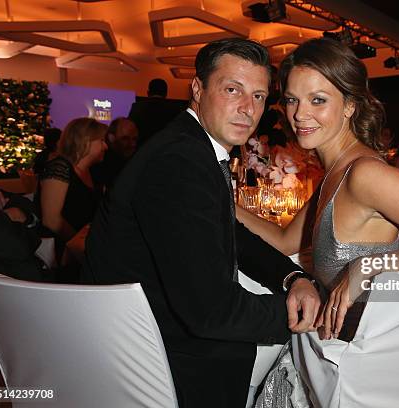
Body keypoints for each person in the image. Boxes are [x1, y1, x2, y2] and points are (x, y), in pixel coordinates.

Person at [236, 38, 399, 407]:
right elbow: (284, 241)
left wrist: (377, 263)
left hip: (366, 368)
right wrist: (221, 200)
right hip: (339, 350)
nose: (299, 114)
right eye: (292, 99)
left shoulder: (365, 174)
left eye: (318, 100)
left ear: (349, 105)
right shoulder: (335, 171)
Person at [81, 38, 321, 408]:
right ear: (197, 88)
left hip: (150, 336)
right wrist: (310, 315)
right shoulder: (180, 161)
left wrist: (292, 277)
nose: (248, 109)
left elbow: (231, 233)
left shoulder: (188, 146)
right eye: (232, 90)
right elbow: (213, 313)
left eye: (259, 96)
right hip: (160, 363)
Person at [36, 118, 107, 245]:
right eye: (101, 141)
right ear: (85, 141)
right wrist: (82, 246)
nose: (105, 146)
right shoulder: (60, 167)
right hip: (62, 249)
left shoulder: (93, 171)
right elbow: (51, 220)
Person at [0, 186, 44, 281]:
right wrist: (10, 217)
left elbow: (24, 202)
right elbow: (19, 248)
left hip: (23, 278)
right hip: (14, 285)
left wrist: (23, 215)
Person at [128, 78, 182, 147]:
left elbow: (130, 130)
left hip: (142, 150)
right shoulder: (175, 109)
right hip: (165, 150)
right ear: (166, 93)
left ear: (148, 92)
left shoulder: (137, 107)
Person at [91, 117, 138, 190]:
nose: (132, 144)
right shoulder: (99, 163)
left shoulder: (136, 160)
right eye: (125, 139)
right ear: (111, 138)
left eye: (134, 139)